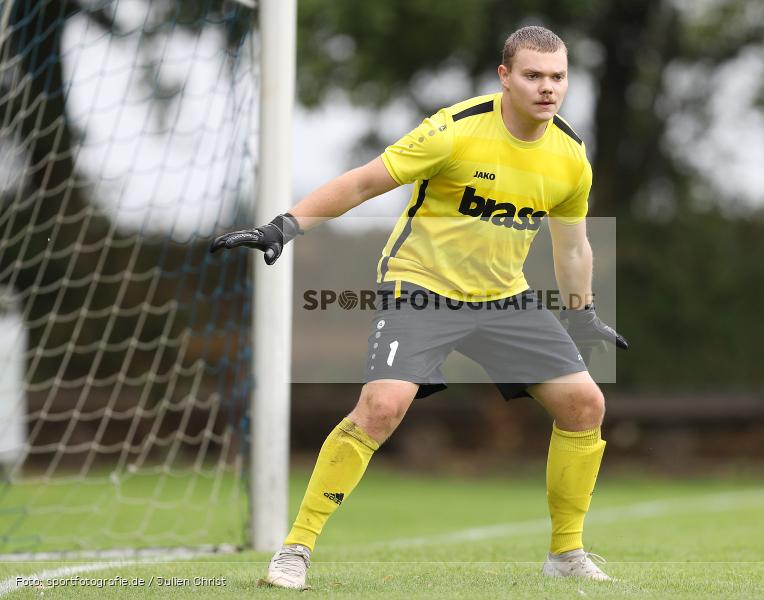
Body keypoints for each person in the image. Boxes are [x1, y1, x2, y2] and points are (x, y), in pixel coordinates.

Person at [210, 25, 628, 590]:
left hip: (503, 296)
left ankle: (566, 554)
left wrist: (581, 314)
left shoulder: (571, 156)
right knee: (381, 408)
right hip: (421, 287)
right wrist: (284, 227)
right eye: (533, 75)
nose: (547, 88)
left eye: (557, 77)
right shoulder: (452, 132)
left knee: (584, 404)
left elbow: (572, 244)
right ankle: (295, 551)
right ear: (505, 77)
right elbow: (361, 184)